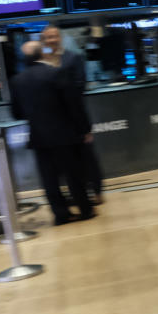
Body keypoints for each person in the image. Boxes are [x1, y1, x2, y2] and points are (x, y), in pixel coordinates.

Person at [9, 41, 95, 225]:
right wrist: (85, 129)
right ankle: (85, 209)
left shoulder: (17, 81)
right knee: (74, 175)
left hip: (39, 137)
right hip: (66, 134)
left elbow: (17, 113)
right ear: (43, 54)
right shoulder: (57, 73)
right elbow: (74, 105)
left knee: (49, 179)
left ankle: (61, 214)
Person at [40, 23, 103, 204]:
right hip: (54, 122)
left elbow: (80, 85)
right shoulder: (41, 62)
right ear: (44, 40)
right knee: (65, 162)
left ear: (59, 38)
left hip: (74, 118)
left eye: (54, 36)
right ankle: (77, 195)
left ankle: (97, 191)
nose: (51, 40)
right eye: (48, 37)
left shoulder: (73, 58)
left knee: (87, 157)